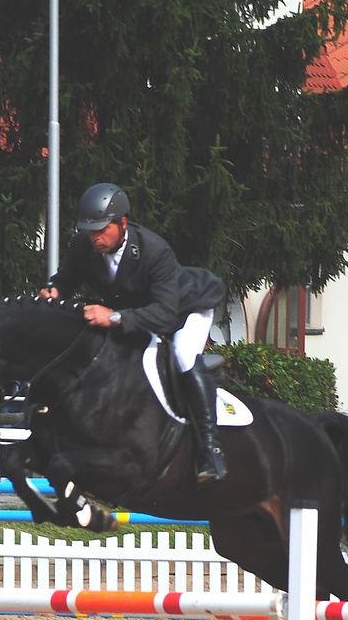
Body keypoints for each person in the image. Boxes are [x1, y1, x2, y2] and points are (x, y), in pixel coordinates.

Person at [37, 182, 229, 481]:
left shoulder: (154, 250)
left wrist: (113, 317)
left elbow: (165, 315)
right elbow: (66, 280)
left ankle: (210, 450)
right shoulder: (82, 246)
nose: (95, 237)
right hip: (138, 312)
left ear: (122, 223)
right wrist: (54, 292)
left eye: (101, 229)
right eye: (89, 230)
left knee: (182, 353)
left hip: (185, 309)